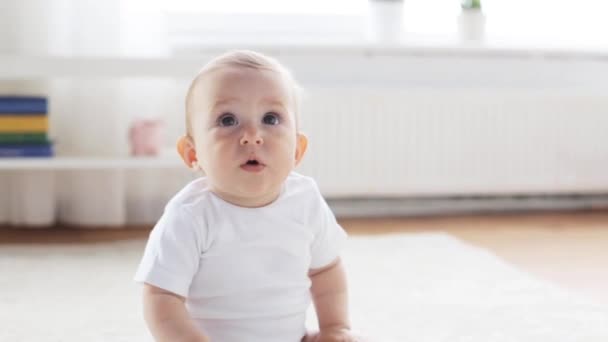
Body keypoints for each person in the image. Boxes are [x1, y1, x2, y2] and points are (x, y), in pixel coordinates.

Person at [134, 50, 360, 342]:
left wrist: (335, 327)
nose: (252, 135)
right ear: (193, 154)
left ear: (297, 150)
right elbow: (161, 298)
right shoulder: (190, 215)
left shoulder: (305, 201)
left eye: (271, 118)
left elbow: (326, 269)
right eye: (228, 120)